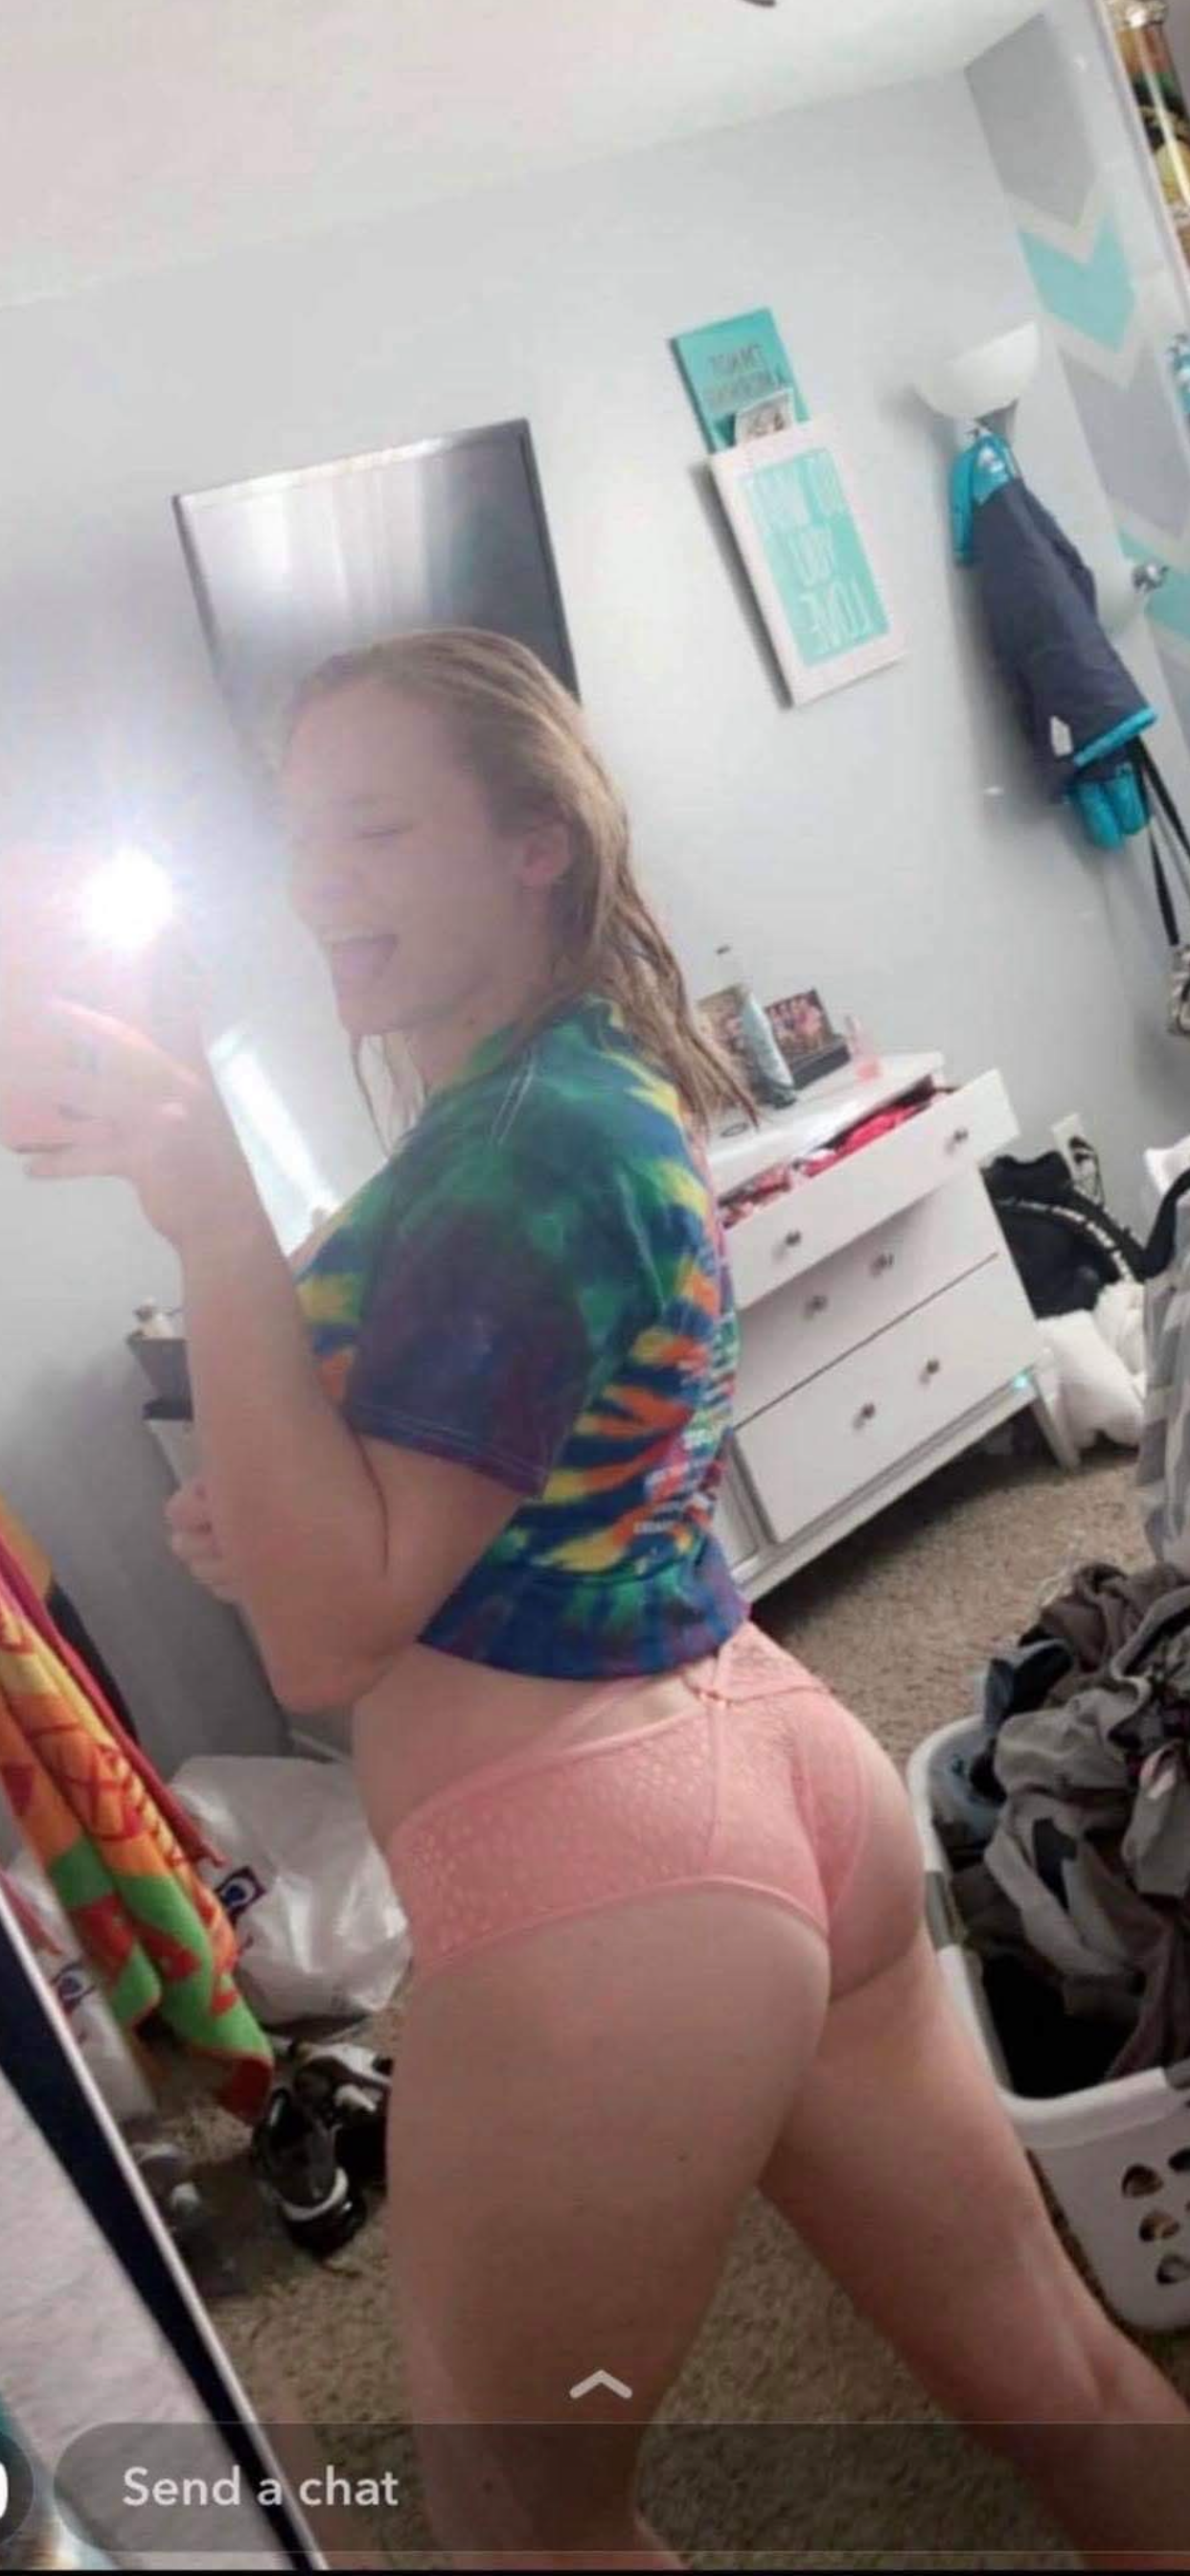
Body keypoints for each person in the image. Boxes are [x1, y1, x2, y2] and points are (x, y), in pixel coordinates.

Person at [16, 627, 1190, 2570]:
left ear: (533, 841)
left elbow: (323, 1640)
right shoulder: (548, 1100)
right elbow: (462, 1492)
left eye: (378, 831)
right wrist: (284, 1503)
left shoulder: (524, 1153)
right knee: (1039, 2355)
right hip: (747, 1764)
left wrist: (204, 1203)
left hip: (595, 1867)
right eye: (303, 839)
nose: (322, 886)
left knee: (522, 2529)